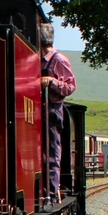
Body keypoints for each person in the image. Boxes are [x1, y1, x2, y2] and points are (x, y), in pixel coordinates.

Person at [40, 21, 76, 200]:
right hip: (39, 111)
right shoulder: (39, 60)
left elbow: (71, 87)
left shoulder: (58, 60)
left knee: (52, 156)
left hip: (53, 110)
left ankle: (52, 194)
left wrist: (52, 82)